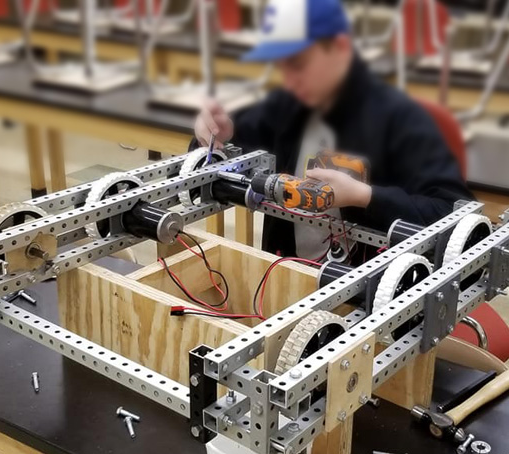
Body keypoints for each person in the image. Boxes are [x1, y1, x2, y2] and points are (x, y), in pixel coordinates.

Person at [194, 0, 474, 260]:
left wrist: (366, 197)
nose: (290, 79)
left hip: (374, 296)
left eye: (299, 64)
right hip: (287, 278)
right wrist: (214, 136)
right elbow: (205, 168)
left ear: (340, 48)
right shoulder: (286, 107)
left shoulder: (403, 119)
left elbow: (456, 216)